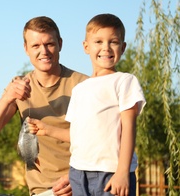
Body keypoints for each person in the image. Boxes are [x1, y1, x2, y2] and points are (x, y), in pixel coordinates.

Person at [28, 13, 146, 196]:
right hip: (78, 173)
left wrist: (122, 172)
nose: (105, 48)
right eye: (98, 41)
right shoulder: (79, 89)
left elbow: (129, 129)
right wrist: (47, 129)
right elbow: (80, 136)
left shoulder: (125, 81)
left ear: (122, 47)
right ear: (86, 47)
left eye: (113, 42)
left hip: (111, 173)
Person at [0, 16, 88, 196]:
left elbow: (102, 141)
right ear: (26, 48)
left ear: (60, 44)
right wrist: (7, 97)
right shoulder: (19, 87)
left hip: (81, 185)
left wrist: (76, 177)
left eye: (49, 44)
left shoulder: (84, 85)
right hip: (42, 191)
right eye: (36, 46)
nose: (43, 51)